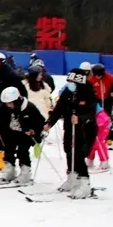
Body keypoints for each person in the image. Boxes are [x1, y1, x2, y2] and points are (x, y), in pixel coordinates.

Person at [45, 64, 98, 199]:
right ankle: (72, 178)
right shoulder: (67, 93)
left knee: (79, 154)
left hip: (85, 129)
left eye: (72, 82)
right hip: (69, 127)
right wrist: (50, 123)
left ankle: (84, 183)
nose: (69, 84)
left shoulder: (88, 92)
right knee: (68, 150)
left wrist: (80, 118)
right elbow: (59, 109)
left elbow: (92, 113)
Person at [0, 86, 44, 185]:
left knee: (22, 151)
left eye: (10, 103)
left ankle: (25, 173)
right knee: (8, 150)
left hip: (25, 134)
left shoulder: (29, 108)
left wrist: (33, 131)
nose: (8, 105)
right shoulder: (4, 107)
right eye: (6, 103)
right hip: (11, 132)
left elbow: (40, 121)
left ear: (17, 100)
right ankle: (10, 170)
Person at [88, 63, 113, 146]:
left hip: (107, 99)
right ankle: (97, 135)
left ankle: (109, 137)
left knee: (108, 118)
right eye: (96, 75)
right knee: (97, 118)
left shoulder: (110, 78)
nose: (97, 77)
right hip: (97, 100)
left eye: (99, 75)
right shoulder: (91, 80)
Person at [86, 104, 113, 171]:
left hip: (102, 121)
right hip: (94, 120)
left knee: (99, 142)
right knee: (91, 142)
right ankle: (90, 159)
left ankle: (104, 161)